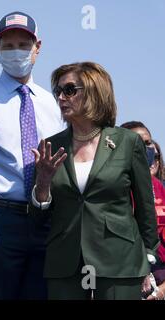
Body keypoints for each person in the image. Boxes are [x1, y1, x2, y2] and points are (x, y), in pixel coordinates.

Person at [31, 62, 159, 300]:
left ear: (93, 91)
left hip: (120, 261)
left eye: (69, 90)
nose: (61, 97)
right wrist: (44, 184)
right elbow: (38, 217)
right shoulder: (50, 146)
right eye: (57, 91)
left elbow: (145, 207)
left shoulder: (127, 142)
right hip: (65, 262)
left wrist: (148, 256)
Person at [0, 11, 65, 299]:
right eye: (8, 45)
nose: (16, 51)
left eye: (23, 44)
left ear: (37, 47)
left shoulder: (52, 104)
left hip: (45, 217)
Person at [120, 122, 165, 299]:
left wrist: (161, 291)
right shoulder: (110, 191)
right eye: (137, 142)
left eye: (148, 142)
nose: (145, 148)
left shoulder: (160, 188)